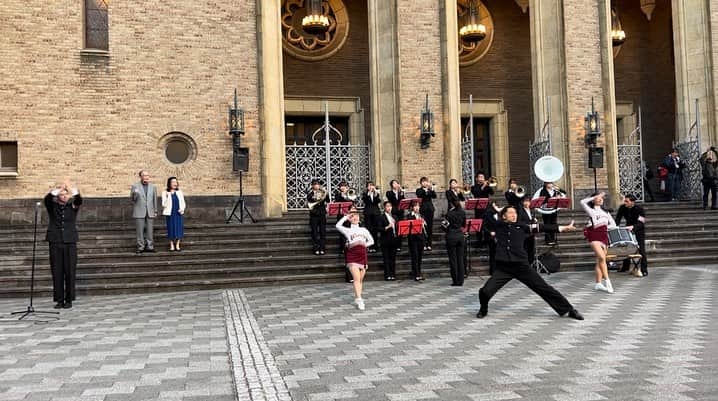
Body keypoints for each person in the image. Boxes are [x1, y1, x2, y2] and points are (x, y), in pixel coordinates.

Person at [476, 206, 583, 320]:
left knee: (544, 288)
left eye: (515, 212)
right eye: (511, 213)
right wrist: (495, 210)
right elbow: (486, 216)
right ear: (504, 216)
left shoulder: (522, 226)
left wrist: (562, 228)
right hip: (504, 268)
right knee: (485, 291)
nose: (514, 215)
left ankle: (569, 309)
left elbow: (542, 227)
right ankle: (483, 309)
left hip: (522, 267)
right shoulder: (498, 225)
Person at [45, 180, 82, 309]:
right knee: (57, 271)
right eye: (62, 194)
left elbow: (79, 200)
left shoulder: (72, 207)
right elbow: (47, 199)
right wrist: (58, 189)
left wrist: (71, 189)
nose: (64, 196)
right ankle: (59, 300)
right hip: (55, 241)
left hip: (70, 242)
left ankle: (69, 299)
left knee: (70, 271)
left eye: (66, 194)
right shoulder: (52, 206)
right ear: (58, 197)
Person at [335, 212, 374, 310]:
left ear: (359, 219)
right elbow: (337, 225)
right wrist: (345, 217)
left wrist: (364, 244)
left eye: (357, 216)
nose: (355, 218)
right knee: (356, 279)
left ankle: (358, 297)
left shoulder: (364, 230)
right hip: (352, 255)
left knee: (360, 280)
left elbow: (371, 241)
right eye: (352, 217)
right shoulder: (347, 230)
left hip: (363, 255)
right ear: (350, 219)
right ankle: (360, 299)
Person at [580, 192, 617, 293]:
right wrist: (595, 196)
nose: (601, 199)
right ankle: (608, 281)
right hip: (594, 237)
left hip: (604, 237)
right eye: (598, 198)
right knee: (602, 258)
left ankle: (598, 283)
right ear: (593, 200)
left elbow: (613, 225)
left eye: (602, 198)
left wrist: (604, 228)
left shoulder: (606, 212)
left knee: (599, 261)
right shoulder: (591, 211)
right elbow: (582, 202)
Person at [615, 194, 648, 277]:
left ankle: (644, 270)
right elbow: (618, 219)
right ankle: (625, 267)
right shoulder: (622, 207)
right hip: (628, 229)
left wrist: (633, 227)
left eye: (627, 201)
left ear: (632, 202)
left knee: (641, 249)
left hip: (639, 230)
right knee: (627, 248)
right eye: (625, 201)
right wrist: (615, 227)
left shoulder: (640, 209)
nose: (625, 202)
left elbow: (641, 223)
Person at [131, 170, 158, 254]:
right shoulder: (135, 186)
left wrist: (155, 210)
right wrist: (135, 194)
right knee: (140, 230)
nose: (146, 177)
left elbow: (155, 200)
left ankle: (150, 246)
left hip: (150, 211)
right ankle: (141, 247)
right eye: (144, 175)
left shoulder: (153, 187)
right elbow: (132, 200)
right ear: (140, 176)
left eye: (147, 175)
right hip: (139, 211)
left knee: (150, 230)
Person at [533, 181, 565, 245]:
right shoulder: (542, 191)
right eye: (549, 183)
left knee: (553, 224)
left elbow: (564, 192)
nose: (551, 184)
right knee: (547, 224)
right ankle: (548, 240)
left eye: (551, 183)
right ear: (545, 184)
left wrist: (559, 190)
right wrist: (551, 199)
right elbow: (542, 200)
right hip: (546, 210)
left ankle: (553, 239)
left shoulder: (555, 191)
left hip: (553, 210)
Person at [445, 198, 466, 286]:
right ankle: (461, 280)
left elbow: (444, 225)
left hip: (451, 236)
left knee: (453, 259)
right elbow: (464, 225)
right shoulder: (462, 212)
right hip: (460, 236)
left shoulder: (449, 213)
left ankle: (455, 280)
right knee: (460, 259)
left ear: (452, 204)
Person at [162, 177, 186, 252]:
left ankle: (178, 244)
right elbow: (164, 204)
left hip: (178, 213)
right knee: (171, 228)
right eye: (173, 182)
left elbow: (183, 202)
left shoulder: (180, 192)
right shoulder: (165, 192)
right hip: (170, 213)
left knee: (179, 228)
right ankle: (171, 244)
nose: (175, 183)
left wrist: (182, 209)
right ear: (169, 183)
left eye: (176, 182)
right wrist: (167, 196)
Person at [307, 179, 330, 255]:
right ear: (312, 186)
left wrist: (326, 194)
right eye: (315, 184)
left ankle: (322, 248)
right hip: (314, 215)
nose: (317, 185)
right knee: (314, 232)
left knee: (323, 232)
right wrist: (317, 195)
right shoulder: (310, 193)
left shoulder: (323, 192)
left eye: (318, 184)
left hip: (322, 214)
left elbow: (328, 201)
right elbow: (311, 199)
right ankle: (316, 248)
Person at [378, 201, 398, 280]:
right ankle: (387, 275)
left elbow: (397, 227)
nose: (389, 208)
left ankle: (393, 274)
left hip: (393, 239)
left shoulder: (395, 217)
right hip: (385, 240)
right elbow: (379, 228)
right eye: (387, 206)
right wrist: (387, 227)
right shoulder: (381, 217)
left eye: (390, 206)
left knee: (393, 258)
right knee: (386, 258)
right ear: (384, 208)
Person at [415, 177, 437, 251]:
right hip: (422, 210)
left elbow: (434, 196)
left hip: (430, 210)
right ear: (421, 183)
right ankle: (424, 244)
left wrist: (432, 189)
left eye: (426, 182)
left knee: (430, 227)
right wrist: (427, 190)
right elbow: (421, 195)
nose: (425, 183)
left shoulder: (430, 190)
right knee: (423, 227)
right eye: (423, 182)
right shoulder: (419, 190)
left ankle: (429, 244)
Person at [407, 201, 426, 281]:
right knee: (415, 256)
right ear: (412, 207)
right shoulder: (409, 216)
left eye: (418, 206)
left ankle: (418, 272)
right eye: (415, 206)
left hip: (421, 238)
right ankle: (416, 274)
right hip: (413, 239)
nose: (417, 208)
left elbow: (424, 227)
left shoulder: (421, 215)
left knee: (419, 257)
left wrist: (423, 222)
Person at [361, 181, 382, 253]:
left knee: (375, 230)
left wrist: (376, 194)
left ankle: (375, 246)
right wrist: (369, 193)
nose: (370, 187)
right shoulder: (365, 194)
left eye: (372, 185)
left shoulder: (376, 193)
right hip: (368, 213)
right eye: (369, 185)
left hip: (376, 213)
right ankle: (370, 246)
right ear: (367, 187)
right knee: (369, 230)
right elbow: (365, 200)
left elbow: (378, 201)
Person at [517, 195, 537, 265]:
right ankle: (525, 265)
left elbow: (532, 220)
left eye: (528, 201)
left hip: (531, 233)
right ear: (523, 202)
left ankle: (531, 264)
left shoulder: (532, 210)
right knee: (525, 250)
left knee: (531, 250)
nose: (527, 203)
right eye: (525, 201)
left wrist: (534, 220)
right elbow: (519, 222)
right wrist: (527, 224)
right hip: (525, 234)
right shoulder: (520, 211)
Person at [385, 180, 405, 251]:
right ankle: (394, 244)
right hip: (393, 213)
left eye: (397, 183)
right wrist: (396, 192)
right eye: (394, 183)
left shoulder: (401, 193)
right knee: (395, 228)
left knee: (401, 228)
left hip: (400, 213)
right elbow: (391, 198)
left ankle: (399, 245)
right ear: (391, 185)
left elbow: (403, 201)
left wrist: (401, 193)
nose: (396, 184)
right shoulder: (389, 192)